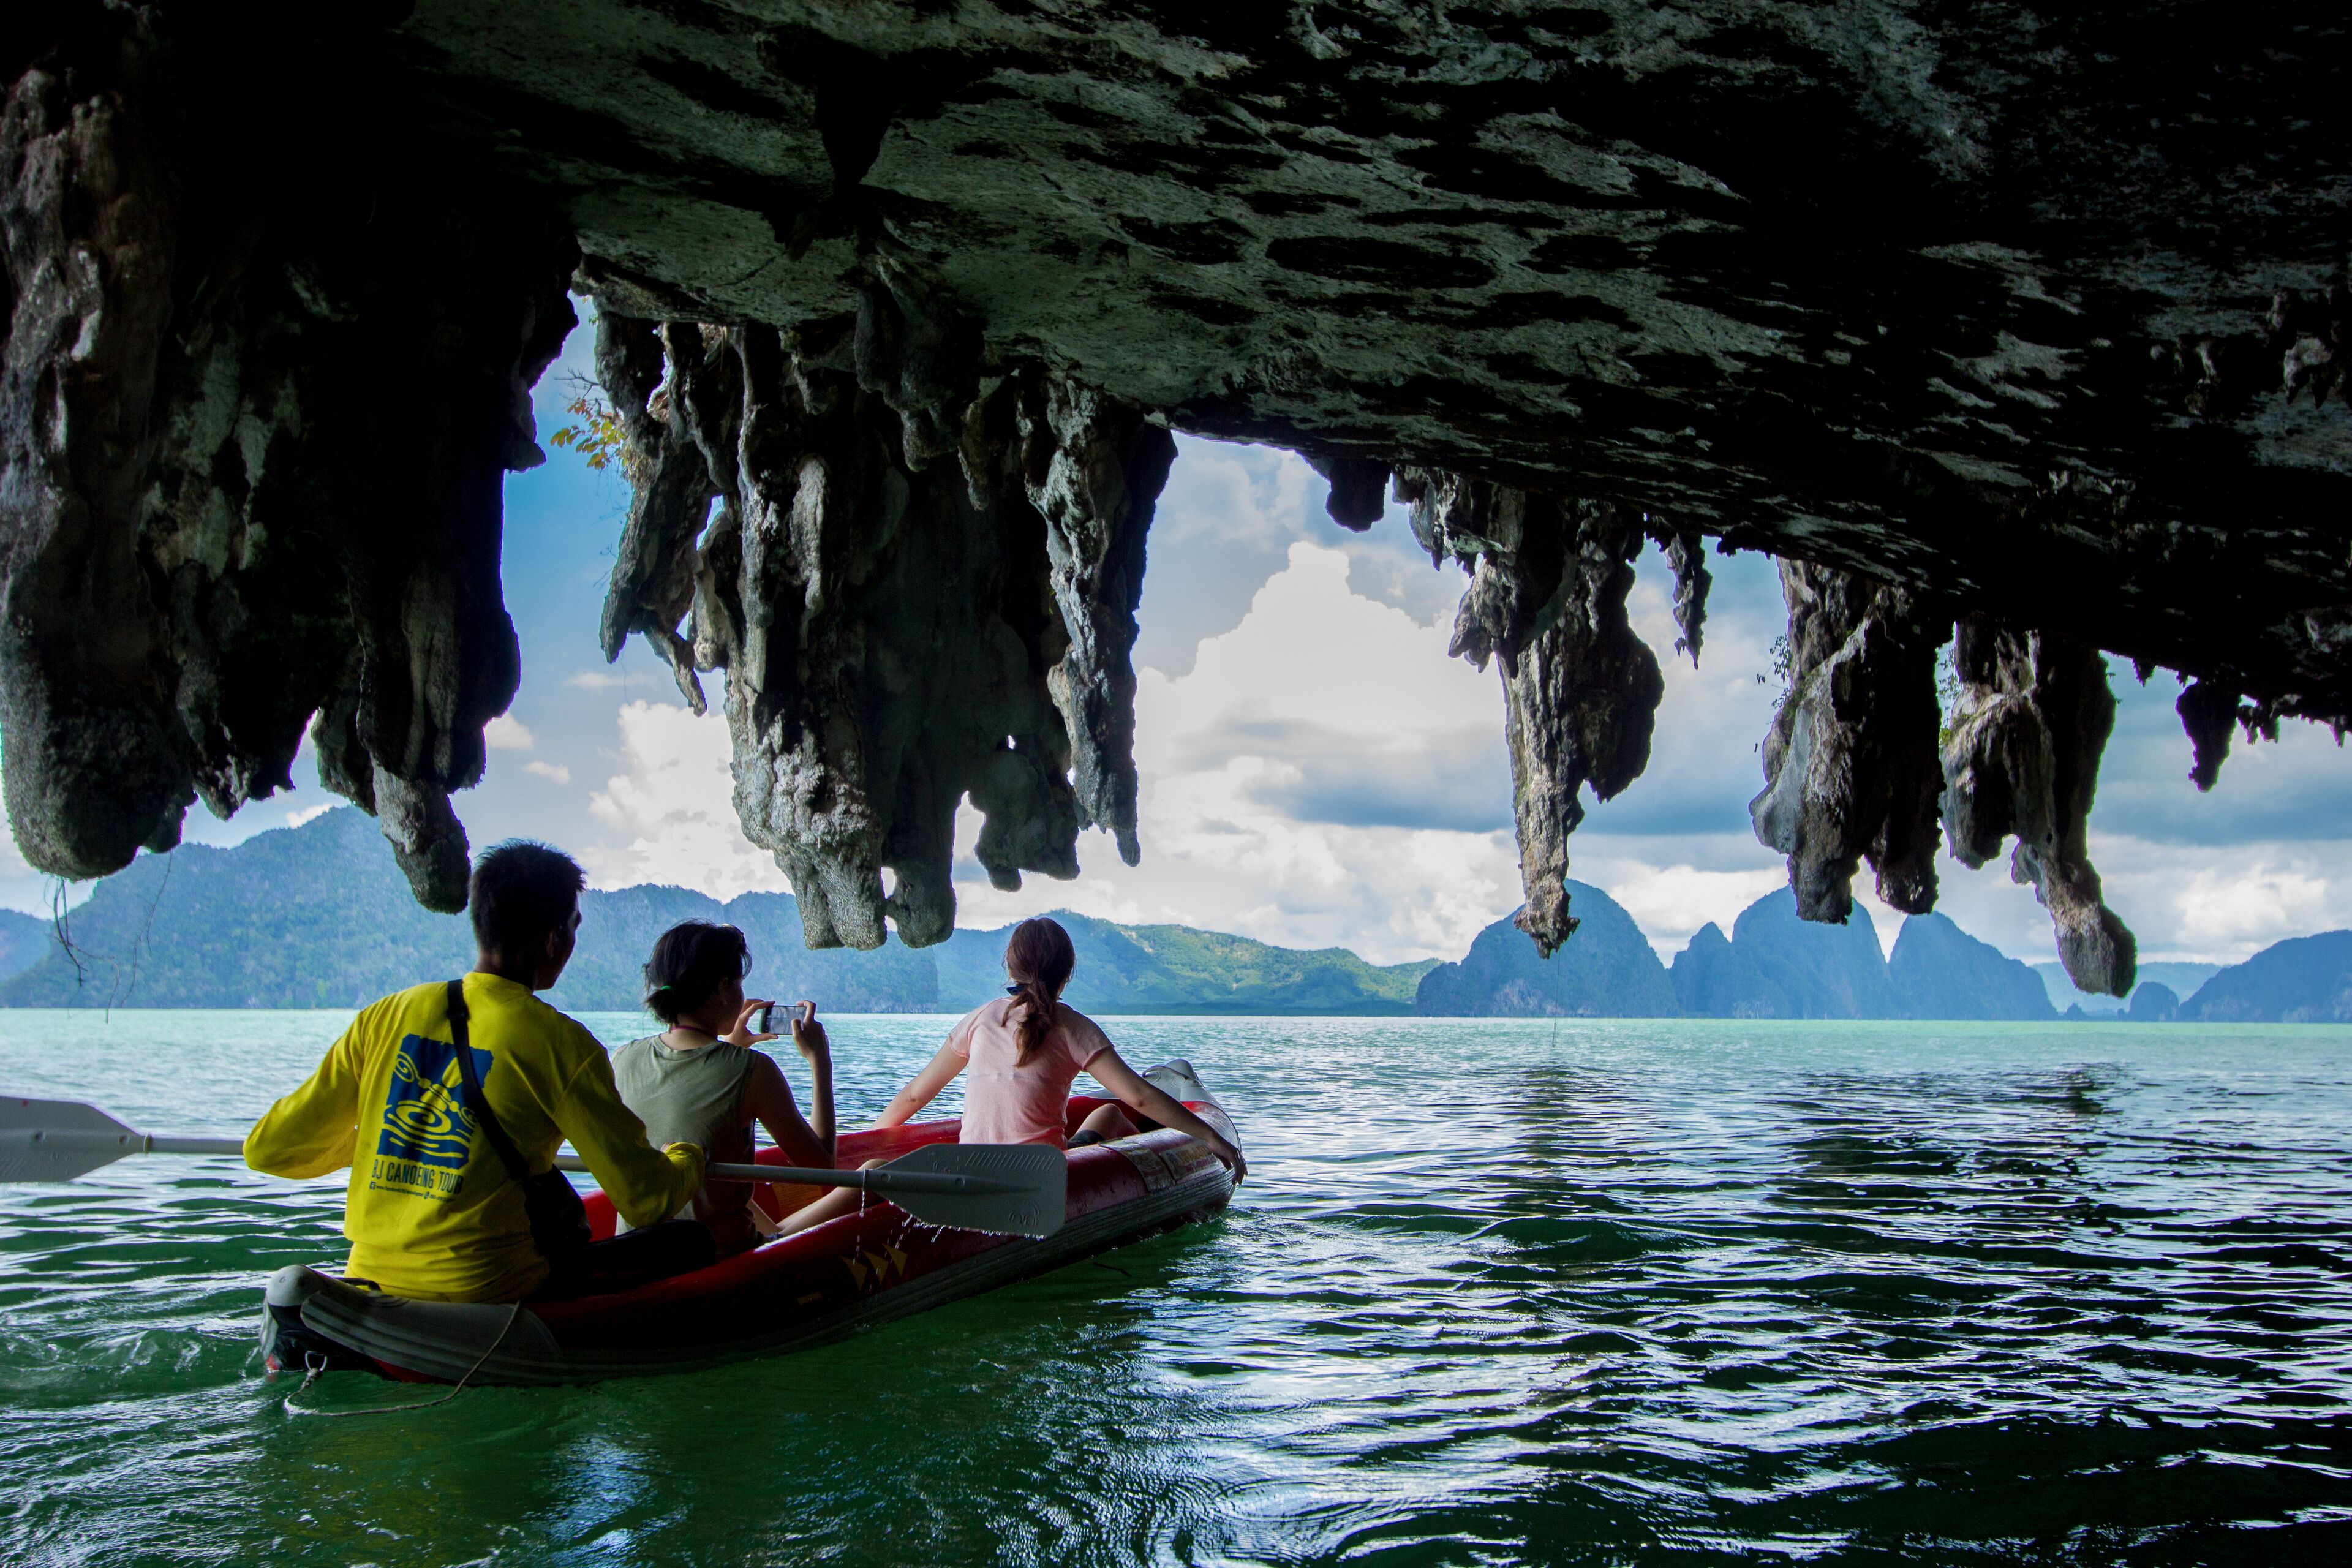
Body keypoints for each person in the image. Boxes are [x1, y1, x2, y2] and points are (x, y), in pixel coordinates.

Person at [243, 841, 714, 1303]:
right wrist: (688, 1154)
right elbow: (645, 1199)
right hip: (490, 1289)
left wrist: (371, 1144)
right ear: (553, 939)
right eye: (573, 927)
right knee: (691, 1242)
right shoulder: (561, 1042)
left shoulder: (382, 1017)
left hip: (369, 1275)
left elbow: (268, 1150)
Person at [777, 917, 1243, 1235]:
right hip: (1033, 1185)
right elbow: (1139, 1098)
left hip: (971, 1178)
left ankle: (781, 1233)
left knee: (874, 1173)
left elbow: (917, 1094)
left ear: (1010, 967)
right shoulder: (1074, 1027)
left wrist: (872, 1141)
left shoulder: (983, 1018)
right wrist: (1210, 1138)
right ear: (1067, 974)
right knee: (1113, 1117)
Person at [611, 921, 835, 1256]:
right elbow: (822, 1171)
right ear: (723, 988)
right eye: (740, 984)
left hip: (637, 1255)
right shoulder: (753, 1071)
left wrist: (728, 1047)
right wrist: (820, 1062)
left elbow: (690, 1095)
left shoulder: (622, 1059)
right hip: (719, 1259)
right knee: (874, 1173)